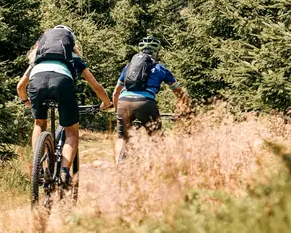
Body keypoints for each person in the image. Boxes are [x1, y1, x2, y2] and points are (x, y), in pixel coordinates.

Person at [16, 25, 111, 188]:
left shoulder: (37, 59)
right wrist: (107, 103)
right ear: (69, 43)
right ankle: (65, 172)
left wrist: (26, 101)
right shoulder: (72, 57)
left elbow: (20, 86)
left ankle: (39, 166)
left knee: (39, 123)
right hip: (62, 83)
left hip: (36, 83)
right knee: (71, 132)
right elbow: (96, 86)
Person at [112, 35, 187, 164]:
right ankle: (158, 167)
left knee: (122, 137)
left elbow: (115, 93)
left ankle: (118, 167)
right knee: (156, 137)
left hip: (123, 102)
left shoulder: (128, 67)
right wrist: (185, 108)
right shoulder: (160, 68)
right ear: (156, 52)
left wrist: (117, 110)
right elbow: (179, 92)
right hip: (145, 103)